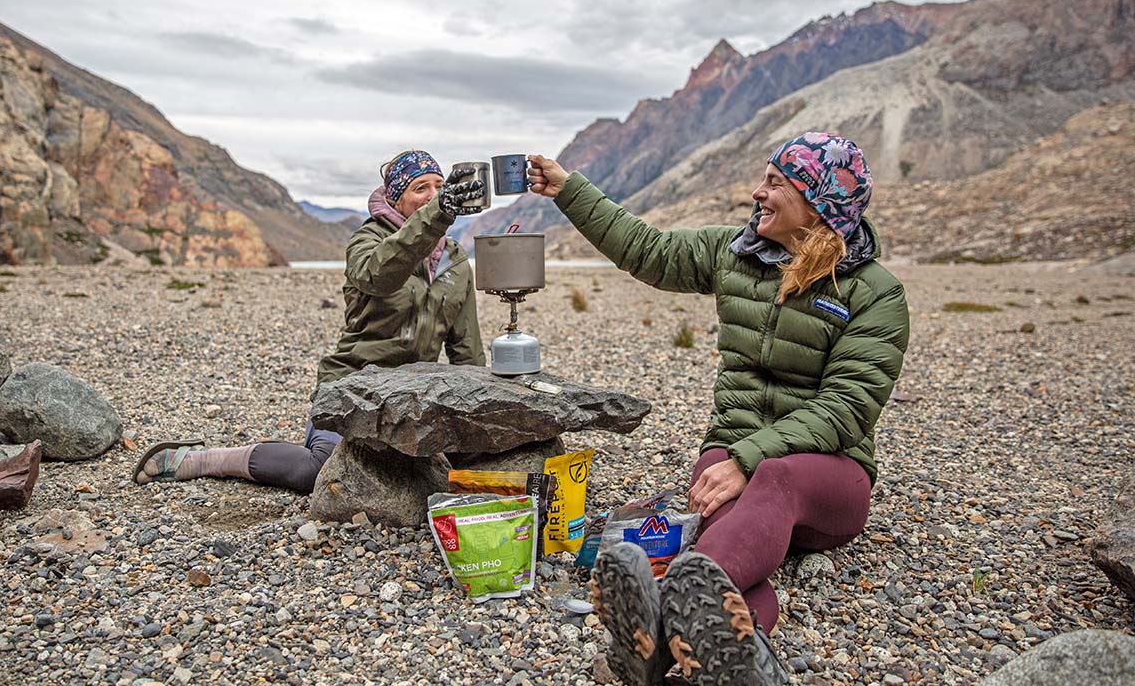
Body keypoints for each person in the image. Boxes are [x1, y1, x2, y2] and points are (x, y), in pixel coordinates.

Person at [528, 133, 909, 686]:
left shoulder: (875, 294)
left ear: (818, 203)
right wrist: (569, 190)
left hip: (826, 478)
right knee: (724, 568)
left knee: (773, 477)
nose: (758, 192)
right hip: (728, 457)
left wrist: (746, 460)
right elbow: (647, 250)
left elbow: (847, 409)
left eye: (776, 183)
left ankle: (652, 625)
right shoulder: (732, 254)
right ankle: (723, 656)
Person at [132, 150, 487, 493]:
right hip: (353, 384)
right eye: (420, 187)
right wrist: (438, 214)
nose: (433, 194)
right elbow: (380, 275)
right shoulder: (368, 241)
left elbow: (466, 349)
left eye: (441, 186)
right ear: (396, 198)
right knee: (316, 471)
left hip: (413, 394)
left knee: (466, 460)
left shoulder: (455, 260)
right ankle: (196, 460)